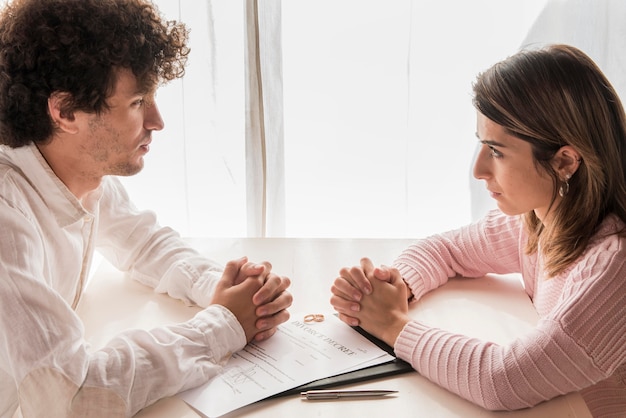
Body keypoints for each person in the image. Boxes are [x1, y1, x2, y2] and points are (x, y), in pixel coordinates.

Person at [0, 0, 292, 417]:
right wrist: (223, 325)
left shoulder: (75, 170)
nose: (157, 120)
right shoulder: (6, 219)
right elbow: (74, 397)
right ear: (65, 111)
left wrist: (223, 287)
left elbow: (142, 242)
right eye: (138, 102)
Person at [330, 44, 626, 417]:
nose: (479, 170)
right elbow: (448, 250)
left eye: (497, 151)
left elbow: (503, 381)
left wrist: (390, 324)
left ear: (564, 161)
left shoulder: (613, 266)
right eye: (481, 145)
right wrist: (396, 285)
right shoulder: (539, 220)